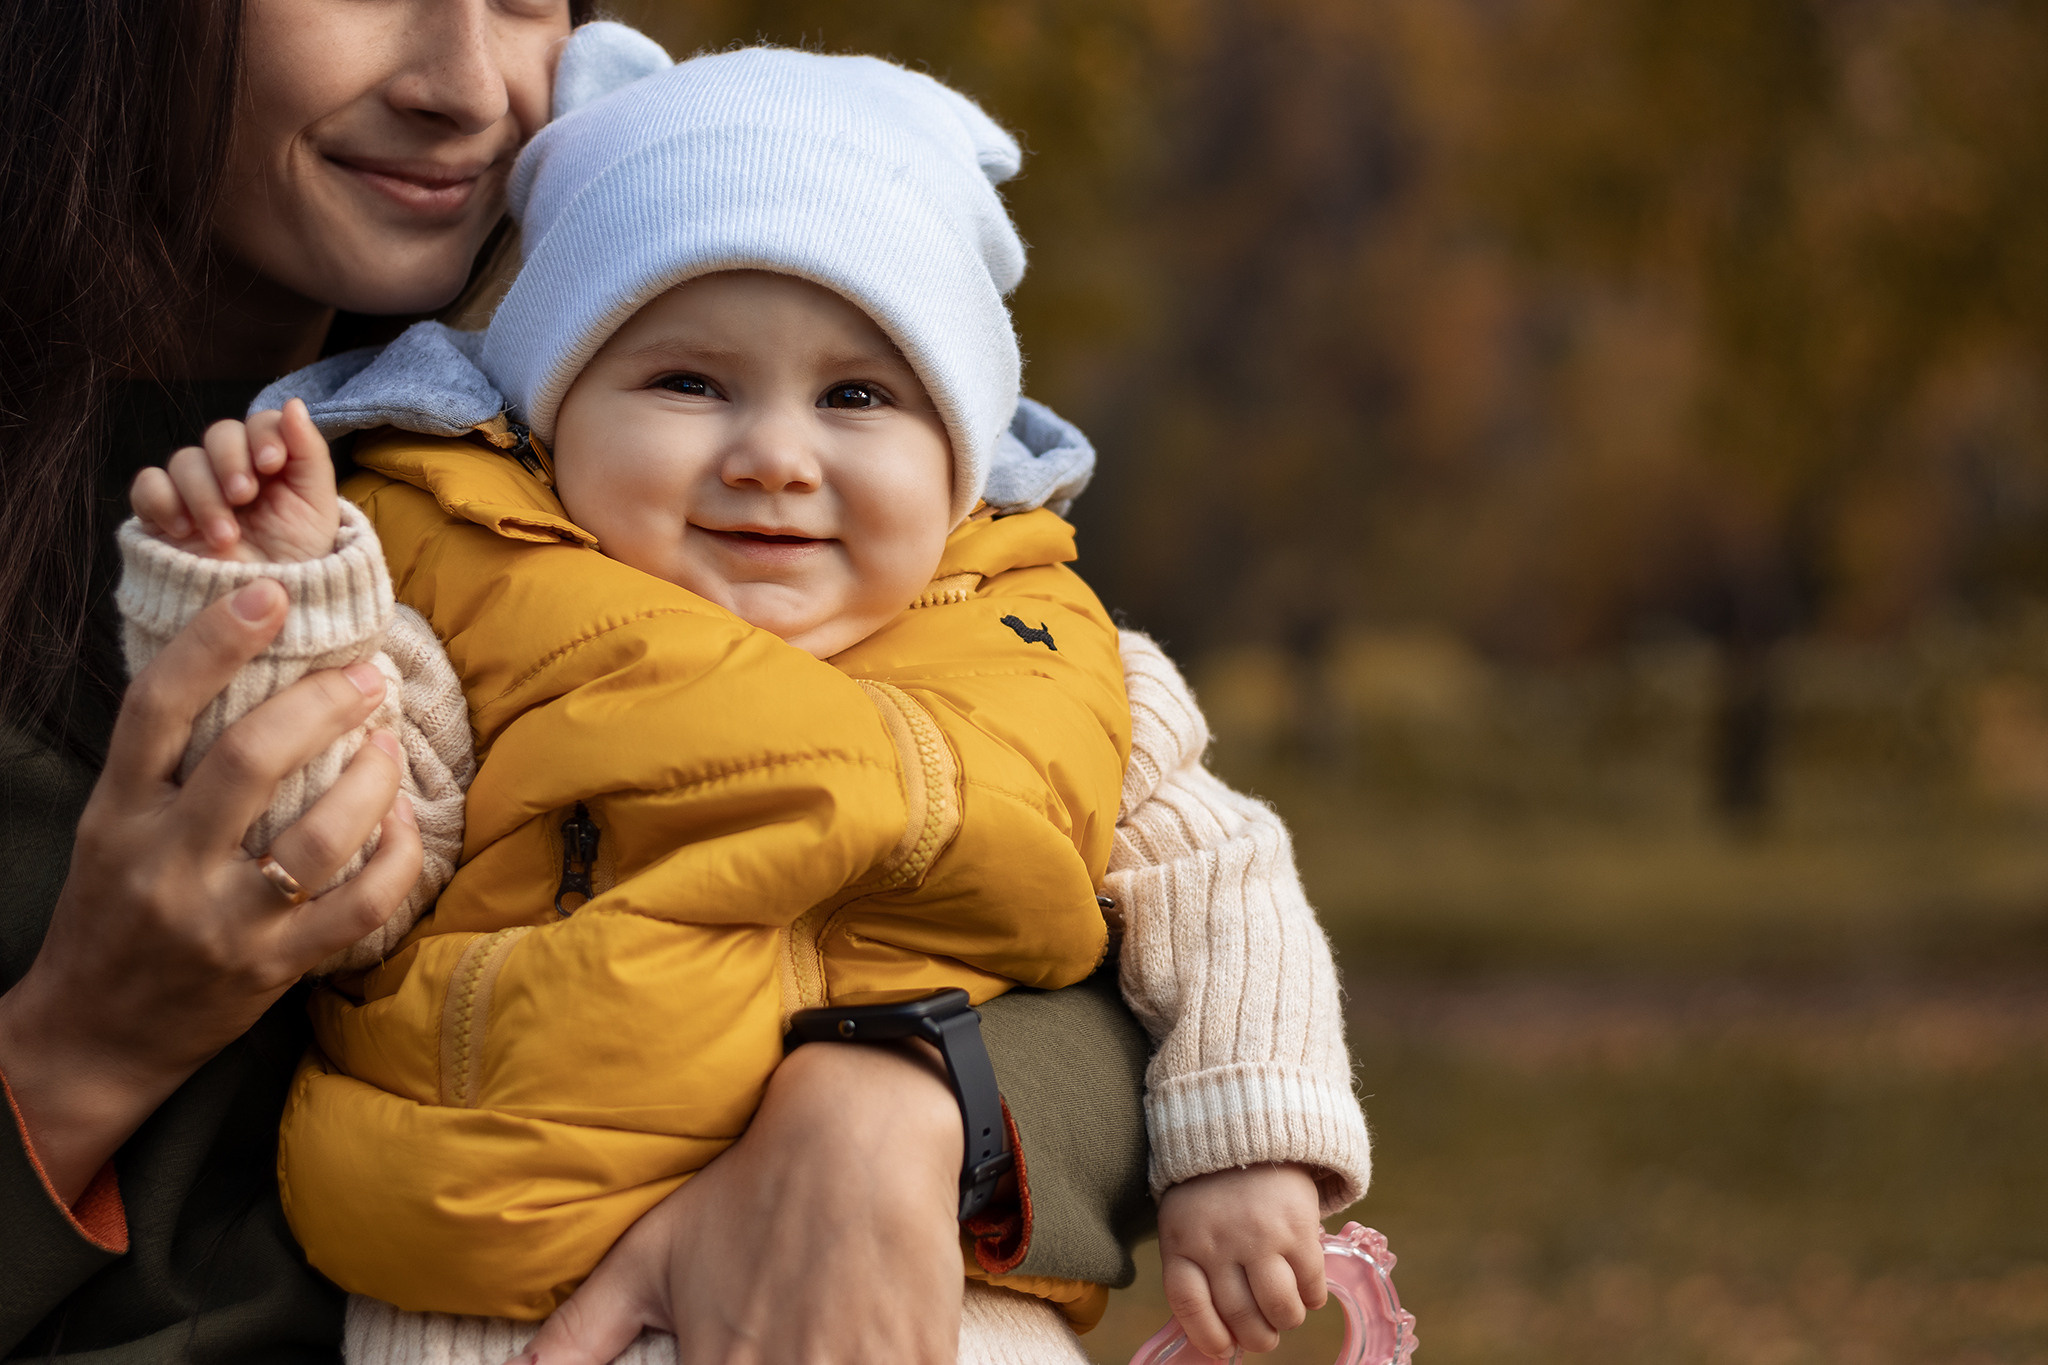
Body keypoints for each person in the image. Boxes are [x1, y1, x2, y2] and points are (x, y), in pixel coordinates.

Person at [0, 5, 1361, 1362]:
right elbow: (371, 836)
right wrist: (78, 1050)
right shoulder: (432, 563)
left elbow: (1144, 916)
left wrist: (901, 1097)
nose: (467, 86)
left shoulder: (749, 531)